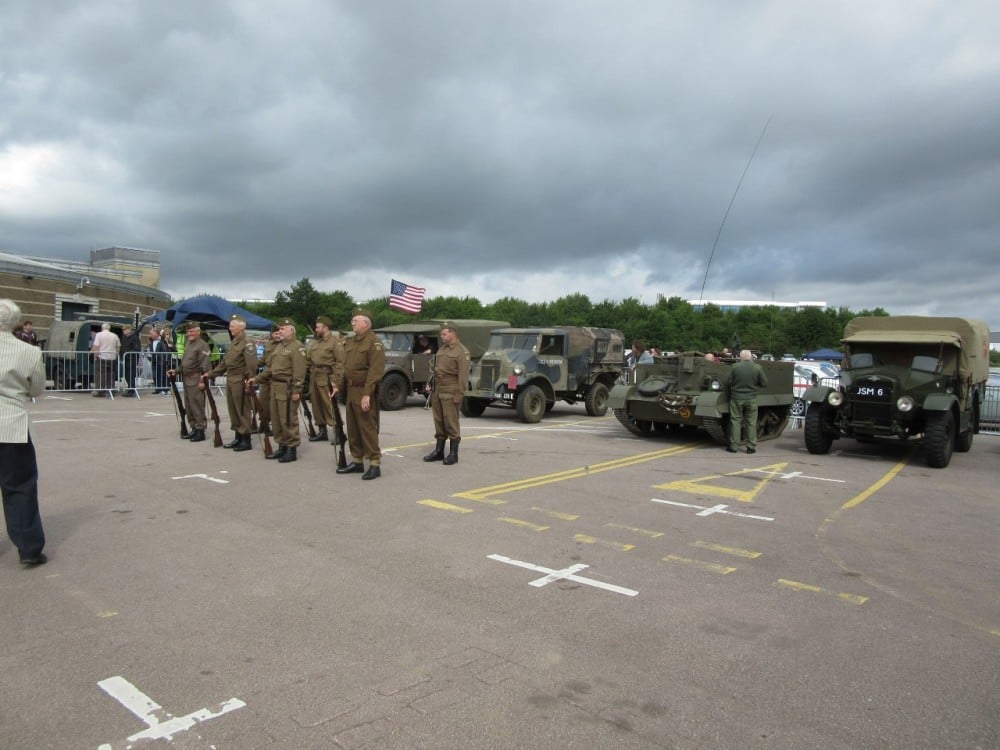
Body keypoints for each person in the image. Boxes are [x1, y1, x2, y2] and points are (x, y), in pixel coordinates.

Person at [0, 299, 47, 566]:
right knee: (20, 487)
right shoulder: (28, 351)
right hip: (10, 424)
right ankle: (28, 547)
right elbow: (37, 389)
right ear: (15, 322)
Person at [333, 308, 385, 480]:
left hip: (364, 390)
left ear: (366, 323)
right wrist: (338, 386)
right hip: (351, 390)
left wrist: (367, 394)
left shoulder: (374, 343)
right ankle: (356, 461)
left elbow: (375, 371)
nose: (352, 323)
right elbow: (346, 368)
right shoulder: (352, 342)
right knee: (353, 427)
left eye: (356, 320)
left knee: (367, 428)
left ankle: (374, 463)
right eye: (353, 320)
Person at [250, 318, 307, 463]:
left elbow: (299, 372)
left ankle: (291, 448)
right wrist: (256, 379)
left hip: (287, 387)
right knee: (275, 419)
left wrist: (297, 390)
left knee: (287, 419)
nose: (280, 331)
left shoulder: (297, 347)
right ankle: (281, 445)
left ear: (291, 330)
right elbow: (270, 368)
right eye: (279, 329)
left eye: (283, 329)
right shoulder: (279, 346)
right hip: (274, 386)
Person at [202, 315, 257, 452]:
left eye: (232, 326)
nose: (230, 328)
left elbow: (251, 365)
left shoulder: (247, 342)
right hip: (231, 379)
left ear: (241, 327)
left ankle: (245, 439)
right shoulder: (234, 342)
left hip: (240, 380)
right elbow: (225, 363)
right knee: (233, 410)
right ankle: (238, 436)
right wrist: (210, 374)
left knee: (243, 410)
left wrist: (250, 381)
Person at [423, 322, 470, 465]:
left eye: (444, 333)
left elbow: (463, 376)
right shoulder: (441, 349)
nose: (441, 336)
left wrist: (459, 394)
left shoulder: (462, 352)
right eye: (441, 333)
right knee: (439, 421)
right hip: (438, 390)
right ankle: (439, 451)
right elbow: (436, 370)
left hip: (451, 390)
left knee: (451, 422)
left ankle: (453, 454)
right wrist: (430, 383)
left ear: (452, 333)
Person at [167, 322, 211, 442]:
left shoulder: (202, 345)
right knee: (189, 405)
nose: (189, 334)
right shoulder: (189, 344)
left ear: (198, 332)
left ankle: (200, 430)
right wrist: (175, 371)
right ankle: (194, 428)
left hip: (197, 378)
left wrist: (204, 381)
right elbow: (184, 363)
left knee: (197, 405)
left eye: (191, 331)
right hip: (187, 378)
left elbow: (205, 365)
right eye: (188, 332)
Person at [306, 315, 344, 443]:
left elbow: (340, 363)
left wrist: (335, 381)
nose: (316, 329)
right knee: (316, 405)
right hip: (314, 376)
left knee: (329, 406)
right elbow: (309, 360)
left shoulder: (335, 343)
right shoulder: (317, 343)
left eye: (318, 327)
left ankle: (338, 432)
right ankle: (322, 431)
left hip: (327, 377)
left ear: (325, 327)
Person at [727, 349, 768, 454]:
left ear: (740, 357)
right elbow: (764, 383)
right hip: (751, 398)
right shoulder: (757, 367)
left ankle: (734, 446)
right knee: (751, 422)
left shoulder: (735, 367)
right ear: (750, 357)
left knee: (735, 421)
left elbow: (728, 381)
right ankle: (750, 447)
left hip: (736, 398)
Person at [90, 322, 120, 397]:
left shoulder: (99, 335)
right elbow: (118, 346)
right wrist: (116, 354)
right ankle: (111, 391)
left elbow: (96, 346)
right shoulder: (114, 335)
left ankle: (100, 391)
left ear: (102, 328)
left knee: (100, 375)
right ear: (109, 328)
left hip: (102, 357)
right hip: (112, 358)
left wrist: (94, 355)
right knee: (111, 374)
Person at [148, 327, 173, 394]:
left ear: (156, 334)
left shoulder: (162, 341)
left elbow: (164, 352)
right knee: (155, 376)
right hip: (154, 362)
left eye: (152, 334)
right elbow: (150, 351)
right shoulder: (151, 342)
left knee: (162, 375)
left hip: (161, 362)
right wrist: (150, 358)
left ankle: (164, 389)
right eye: (150, 334)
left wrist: (164, 360)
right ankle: (158, 389)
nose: (150, 335)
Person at [120, 323, 142, 396]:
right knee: (126, 375)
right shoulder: (124, 337)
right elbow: (122, 347)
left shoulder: (135, 337)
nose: (123, 331)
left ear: (129, 330)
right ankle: (130, 389)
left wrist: (128, 353)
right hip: (125, 359)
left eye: (125, 329)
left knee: (131, 375)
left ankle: (131, 391)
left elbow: (137, 349)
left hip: (132, 359)